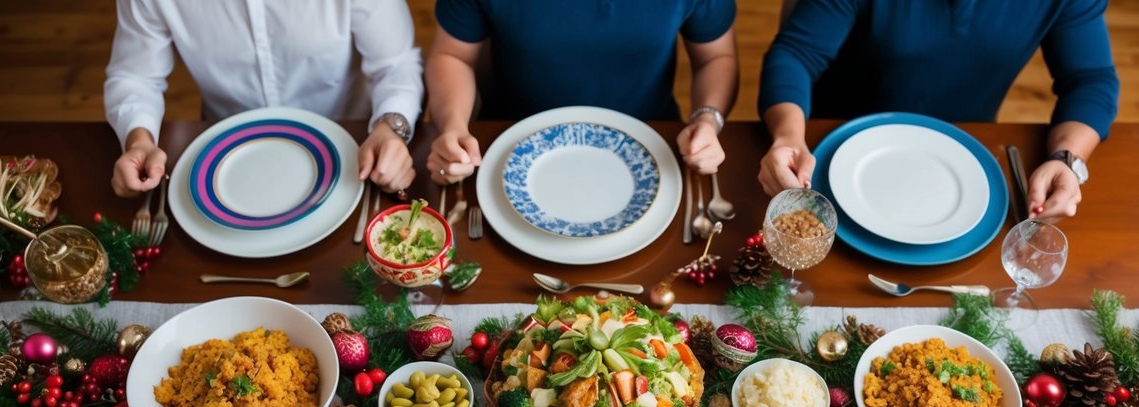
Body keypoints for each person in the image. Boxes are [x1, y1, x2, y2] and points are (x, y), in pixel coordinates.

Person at [757, 0, 1120, 220]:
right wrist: (787, 136)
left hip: (964, 165)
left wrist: (1067, 159)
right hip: (830, 154)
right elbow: (795, 55)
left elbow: (1090, 80)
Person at [104, 0, 424, 197]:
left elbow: (396, 63)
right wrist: (138, 140)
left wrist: (391, 128)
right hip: (225, 155)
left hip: (351, 146)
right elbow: (135, 76)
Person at [423, 0, 739, 185]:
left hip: (654, 145)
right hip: (507, 145)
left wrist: (707, 119)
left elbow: (716, 58)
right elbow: (452, 55)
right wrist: (452, 126)